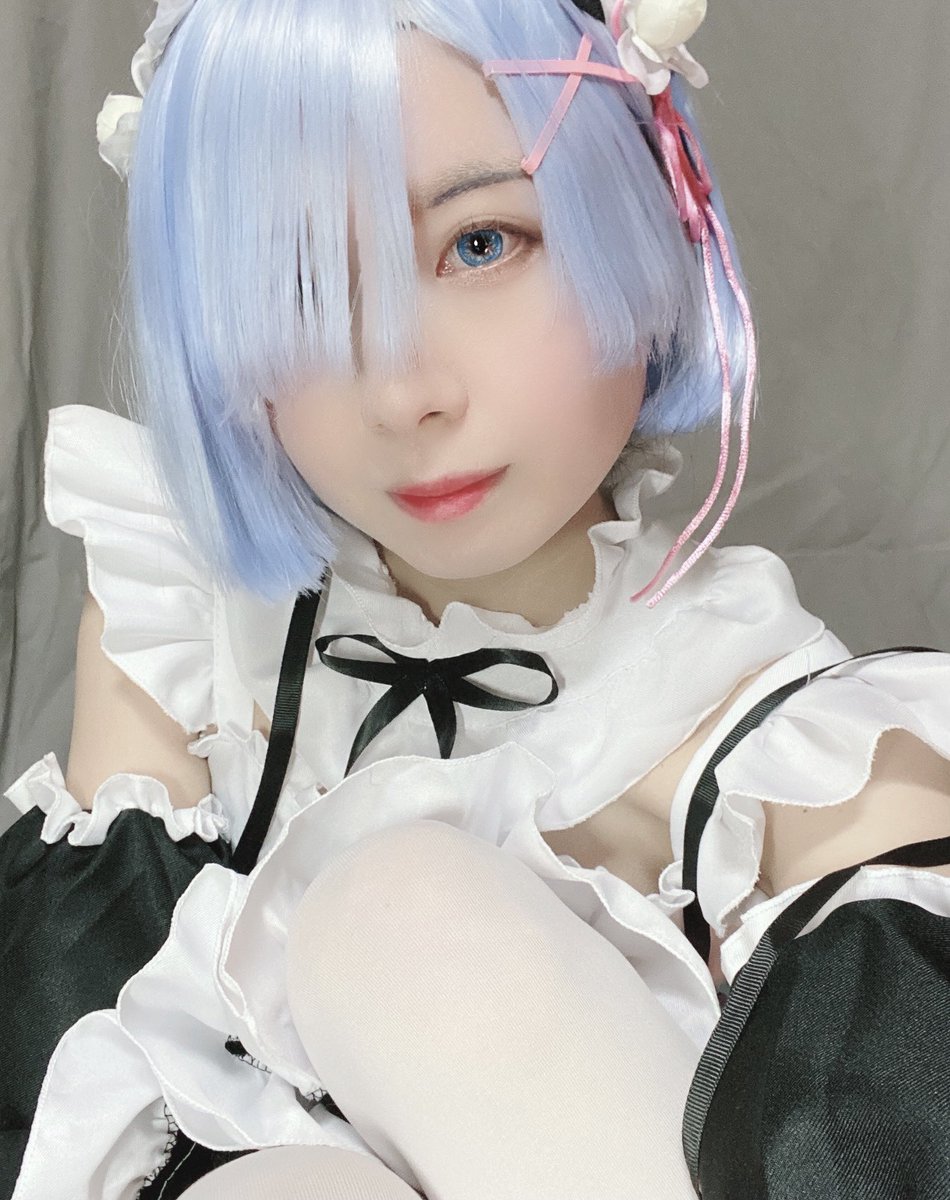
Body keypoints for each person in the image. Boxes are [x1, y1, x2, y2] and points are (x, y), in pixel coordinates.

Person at [4, 1, 950, 1197]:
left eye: (480, 243)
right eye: (298, 287)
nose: (401, 393)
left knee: (400, 908)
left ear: (639, 209)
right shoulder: (183, 634)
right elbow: (72, 1100)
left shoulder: (802, 749)